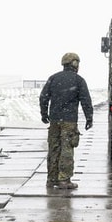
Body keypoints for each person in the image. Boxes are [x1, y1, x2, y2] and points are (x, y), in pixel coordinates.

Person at [39, 51, 93, 190]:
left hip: (55, 120)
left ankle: (51, 179)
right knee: (67, 149)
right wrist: (89, 117)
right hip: (69, 121)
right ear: (75, 64)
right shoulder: (78, 80)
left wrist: (44, 113)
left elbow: (43, 97)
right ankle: (64, 179)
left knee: (54, 149)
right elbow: (85, 101)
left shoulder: (53, 78)